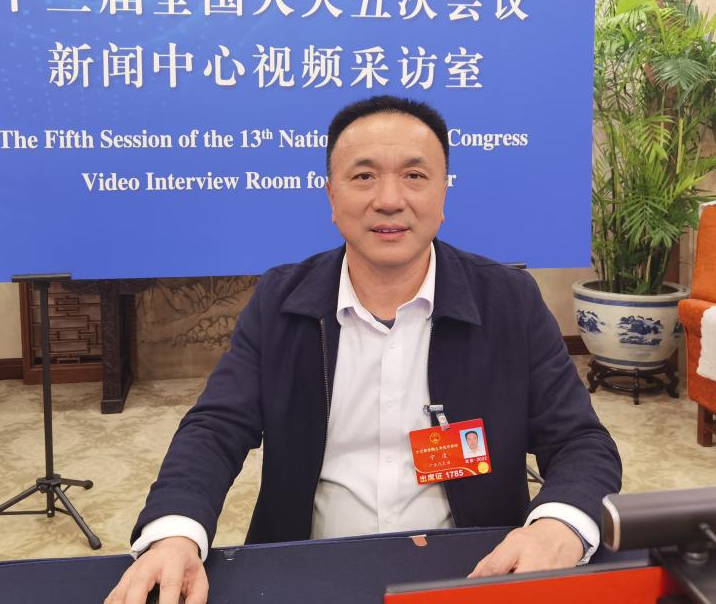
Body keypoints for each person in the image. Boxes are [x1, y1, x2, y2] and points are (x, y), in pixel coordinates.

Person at [106, 96, 622, 604]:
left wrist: (558, 526)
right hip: (308, 569)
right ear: (332, 197)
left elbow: (581, 442)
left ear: (443, 192)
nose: (389, 200)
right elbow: (215, 428)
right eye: (364, 176)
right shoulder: (281, 300)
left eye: (415, 175)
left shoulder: (509, 301)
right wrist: (175, 532)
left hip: (473, 569)